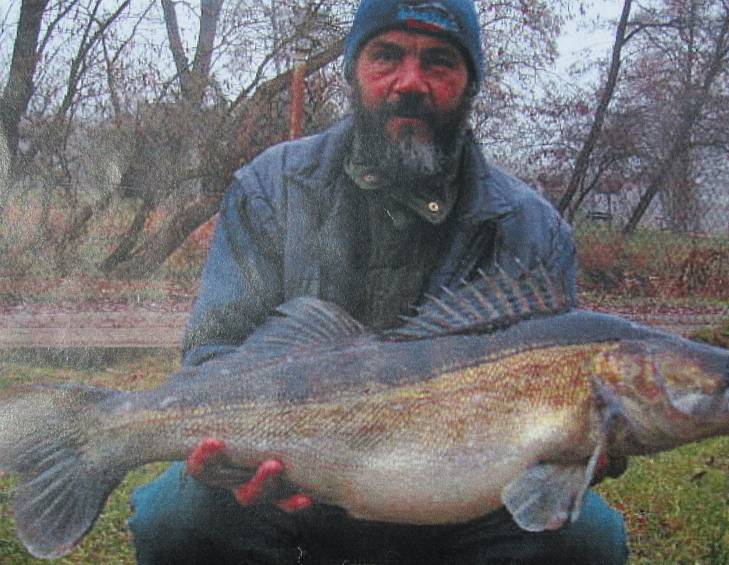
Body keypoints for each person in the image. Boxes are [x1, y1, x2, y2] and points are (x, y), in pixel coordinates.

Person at [128, 0, 628, 563]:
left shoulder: (534, 229)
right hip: (292, 479)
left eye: (439, 61)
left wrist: (585, 448)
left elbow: (559, 440)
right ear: (352, 69)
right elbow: (214, 354)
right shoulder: (271, 187)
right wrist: (229, 460)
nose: (410, 82)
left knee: (588, 541)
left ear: (470, 83)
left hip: (460, 496)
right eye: (386, 55)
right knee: (175, 519)